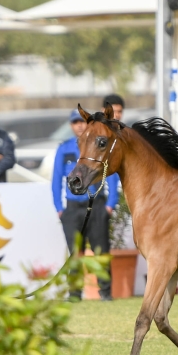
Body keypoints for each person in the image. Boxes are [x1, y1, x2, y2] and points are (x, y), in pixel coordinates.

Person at [51, 108, 120, 301]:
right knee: (75, 253)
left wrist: (111, 203)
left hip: (96, 205)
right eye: (75, 122)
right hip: (73, 208)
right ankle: (74, 294)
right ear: (71, 126)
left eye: (81, 122)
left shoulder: (96, 145)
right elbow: (56, 180)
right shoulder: (64, 149)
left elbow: (109, 173)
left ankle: (105, 292)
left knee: (101, 250)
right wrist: (59, 208)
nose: (79, 125)